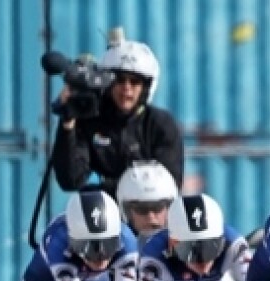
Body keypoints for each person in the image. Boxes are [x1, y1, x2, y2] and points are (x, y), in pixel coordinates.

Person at [52, 36, 183, 197]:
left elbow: (169, 185)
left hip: (146, 215)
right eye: (119, 80)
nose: (127, 88)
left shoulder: (160, 124)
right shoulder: (90, 119)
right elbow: (70, 180)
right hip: (100, 215)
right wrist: (67, 123)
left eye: (134, 82)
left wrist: (105, 188)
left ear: (146, 87)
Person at [116, 161, 179, 240]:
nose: (150, 217)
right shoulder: (113, 250)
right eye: (142, 209)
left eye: (157, 207)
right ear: (127, 212)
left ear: (169, 209)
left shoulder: (186, 247)